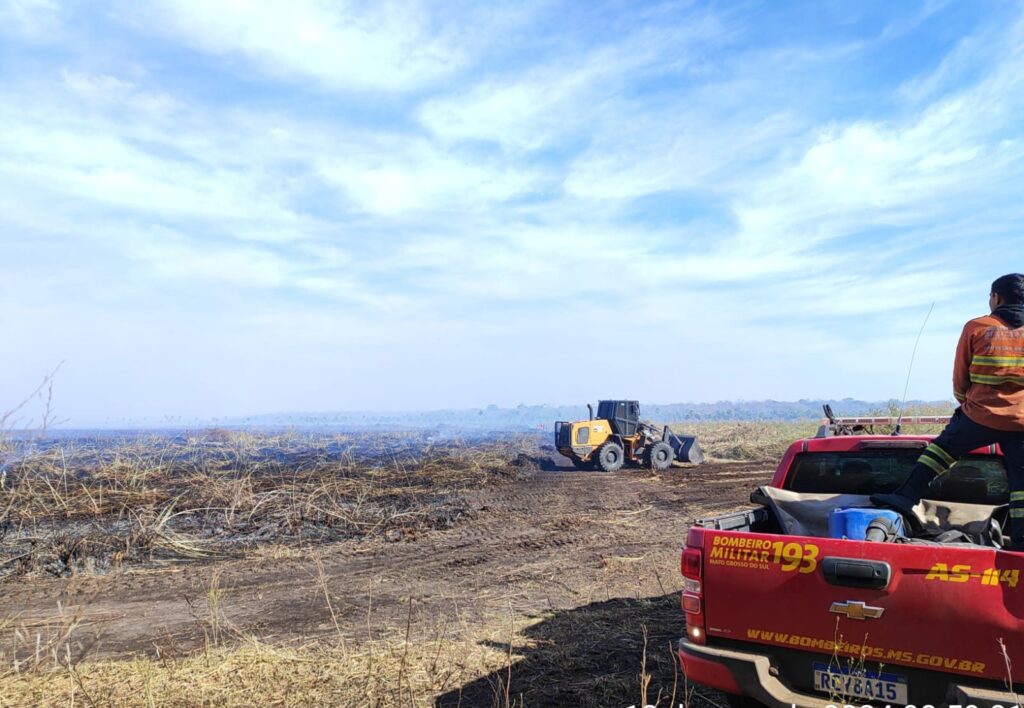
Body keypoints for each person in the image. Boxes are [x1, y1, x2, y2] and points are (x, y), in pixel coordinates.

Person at [872, 273, 1024, 549]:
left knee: (940, 452)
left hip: (979, 415)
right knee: (1021, 482)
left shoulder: (978, 326)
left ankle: (905, 497)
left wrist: (966, 402)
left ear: (997, 298)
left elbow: (960, 377)